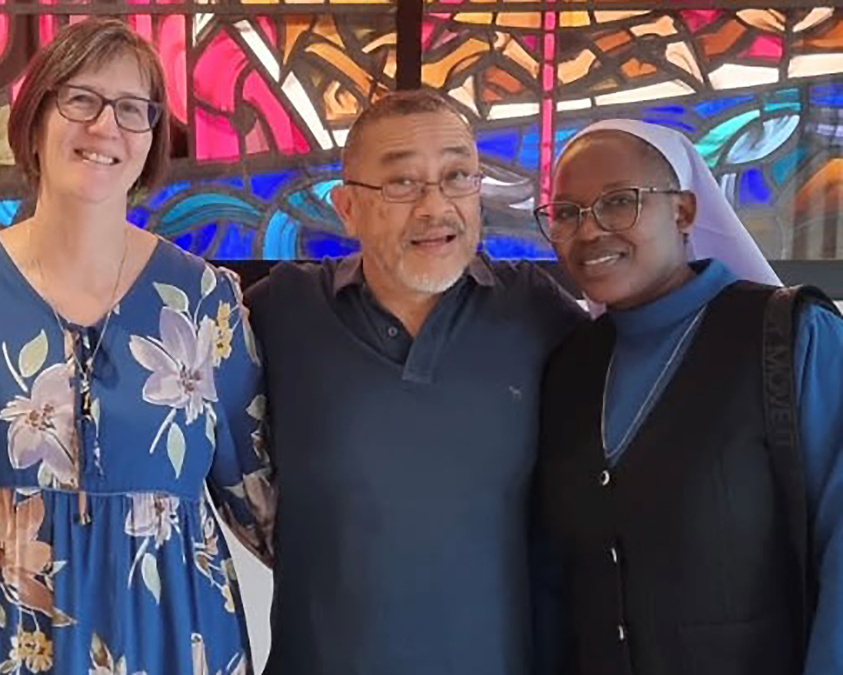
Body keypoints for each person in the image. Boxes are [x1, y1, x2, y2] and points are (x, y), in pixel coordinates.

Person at [0, 18, 275, 675]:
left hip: (170, 631)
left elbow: (262, 501)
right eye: (81, 99)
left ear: (152, 138)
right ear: (35, 118)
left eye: (132, 108)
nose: (105, 127)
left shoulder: (204, 298)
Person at [244, 89, 587, 675]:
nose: (436, 206)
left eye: (458, 176)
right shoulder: (283, 311)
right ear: (347, 208)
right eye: (402, 183)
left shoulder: (535, 312)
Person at [533, 119, 843, 675]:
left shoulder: (792, 337)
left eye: (619, 203)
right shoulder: (571, 367)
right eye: (566, 213)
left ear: (684, 212)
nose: (589, 231)